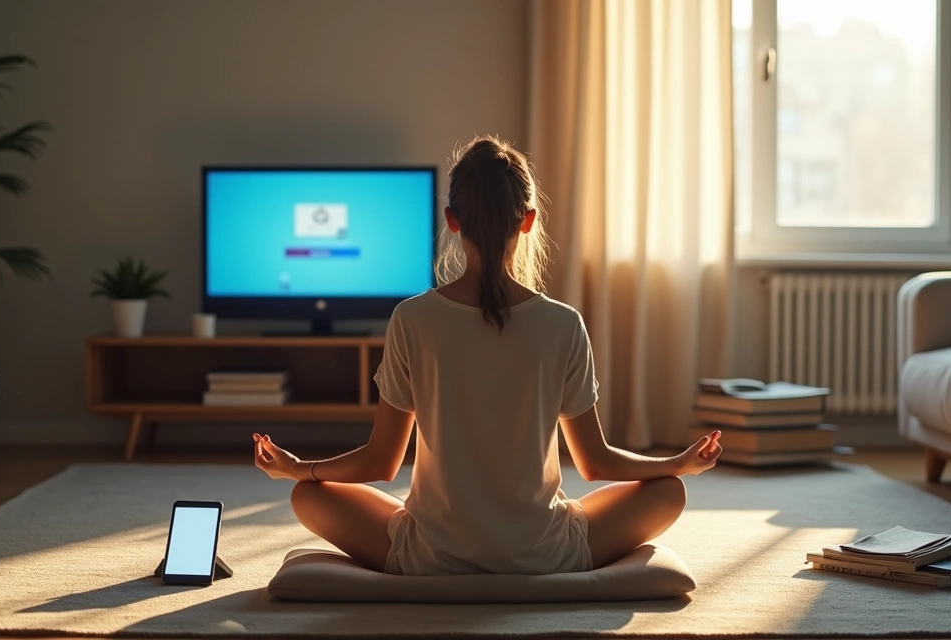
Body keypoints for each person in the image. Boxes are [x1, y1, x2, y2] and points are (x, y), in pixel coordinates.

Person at [252, 134, 722, 576]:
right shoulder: (563, 323)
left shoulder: (412, 318)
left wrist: (300, 468)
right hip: (544, 552)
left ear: (453, 220)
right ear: (529, 220)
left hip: (432, 556)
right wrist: (676, 463)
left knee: (307, 497)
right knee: (668, 493)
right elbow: (595, 462)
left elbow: (381, 463)